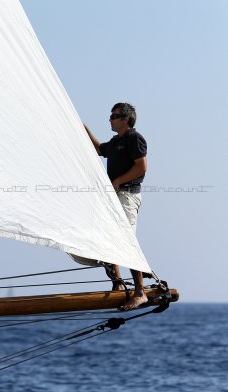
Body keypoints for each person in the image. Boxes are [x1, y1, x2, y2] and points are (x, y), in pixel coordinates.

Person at [84, 102, 148, 310]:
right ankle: (118, 284)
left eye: (113, 116)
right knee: (108, 238)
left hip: (128, 195)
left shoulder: (133, 138)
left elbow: (141, 167)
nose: (109, 119)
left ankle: (140, 293)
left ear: (125, 118)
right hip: (115, 196)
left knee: (125, 240)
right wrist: (84, 129)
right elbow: (98, 149)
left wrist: (117, 181)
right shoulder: (115, 141)